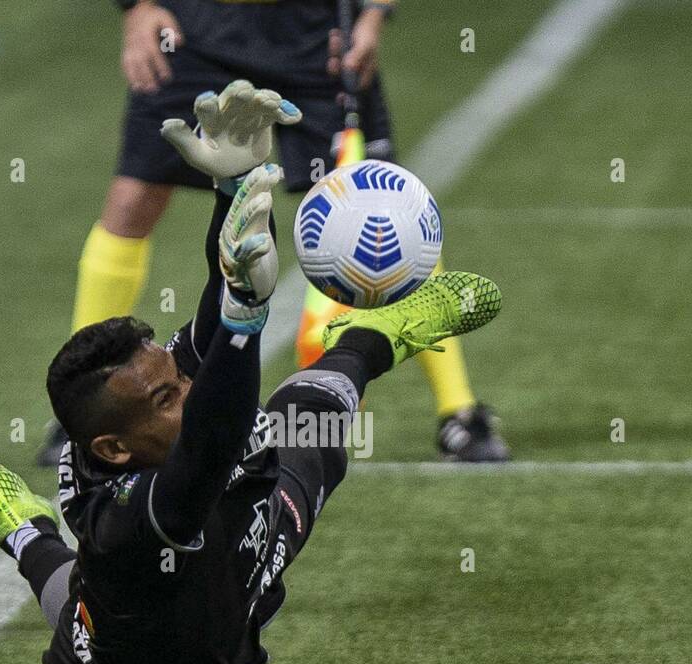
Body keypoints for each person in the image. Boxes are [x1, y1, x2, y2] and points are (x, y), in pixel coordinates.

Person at [0, 82, 501, 664]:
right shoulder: (126, 522)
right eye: (166, 400)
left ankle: (385, 331)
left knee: (299, 418)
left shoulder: (139, 407)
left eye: (174, 382)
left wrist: (237, 189)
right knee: (79, 593)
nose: (183, 391)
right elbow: (211, 440)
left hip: (220, 575)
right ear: (111, 450)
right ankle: (24, 530)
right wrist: (246, 322)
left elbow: (215, 314)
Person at [36, 0, 509, 466]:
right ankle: (80, 416)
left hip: (315, 29)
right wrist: (137, 7)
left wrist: (373, 12)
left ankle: (459, 412)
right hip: (192, 25)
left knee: (378, 211)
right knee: (132, 201)